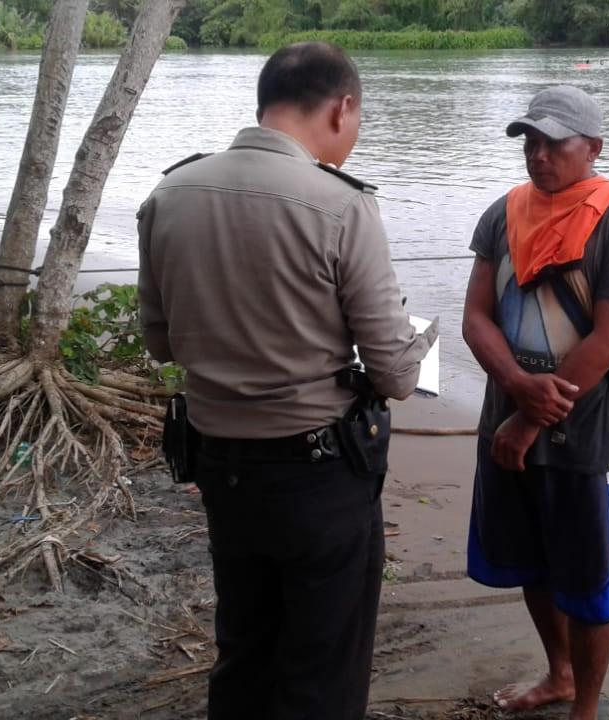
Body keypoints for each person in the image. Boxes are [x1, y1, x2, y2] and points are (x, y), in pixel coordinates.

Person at [137, 42, 436, 720]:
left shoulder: (170, 193)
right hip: (318, 474)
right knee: (322, 666)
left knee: (244, 647)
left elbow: (161, 342)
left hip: (220, 466)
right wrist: (413, 343)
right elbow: (393, 374)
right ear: (342, 107)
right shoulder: (341, 205)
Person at [461, 86, 609, 720]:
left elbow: (608, 340)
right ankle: (559, 674)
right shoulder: (503, 213)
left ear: (593, 148)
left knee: (588, 575)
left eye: (554, 143)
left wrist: (529, 417)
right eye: (530, 142)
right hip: (506, 413)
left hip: (580, 426)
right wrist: (516, 387)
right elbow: (475, 317)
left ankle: (587, 707)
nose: (538, 155)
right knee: (530, 558)